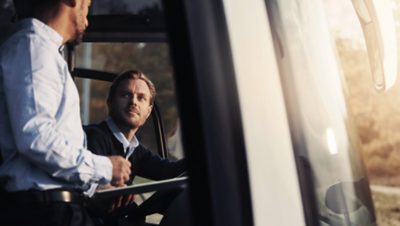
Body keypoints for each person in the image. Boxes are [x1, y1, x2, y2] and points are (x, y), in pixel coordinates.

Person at [0, 0, 132, 225]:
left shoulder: (43, 51)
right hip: (45, 212)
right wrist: (105, 167)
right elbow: (37, 138)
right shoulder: (33, 47)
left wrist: (94, 189)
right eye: (88, 5)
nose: (88, 18)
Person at [84, 70, 186, 226]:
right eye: (125, 95)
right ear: (110, 102)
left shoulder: (135, 149)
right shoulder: (95, 137)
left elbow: (169, 172)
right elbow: (92, 197)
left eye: (141, 98)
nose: (133, 102)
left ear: (148, 110)